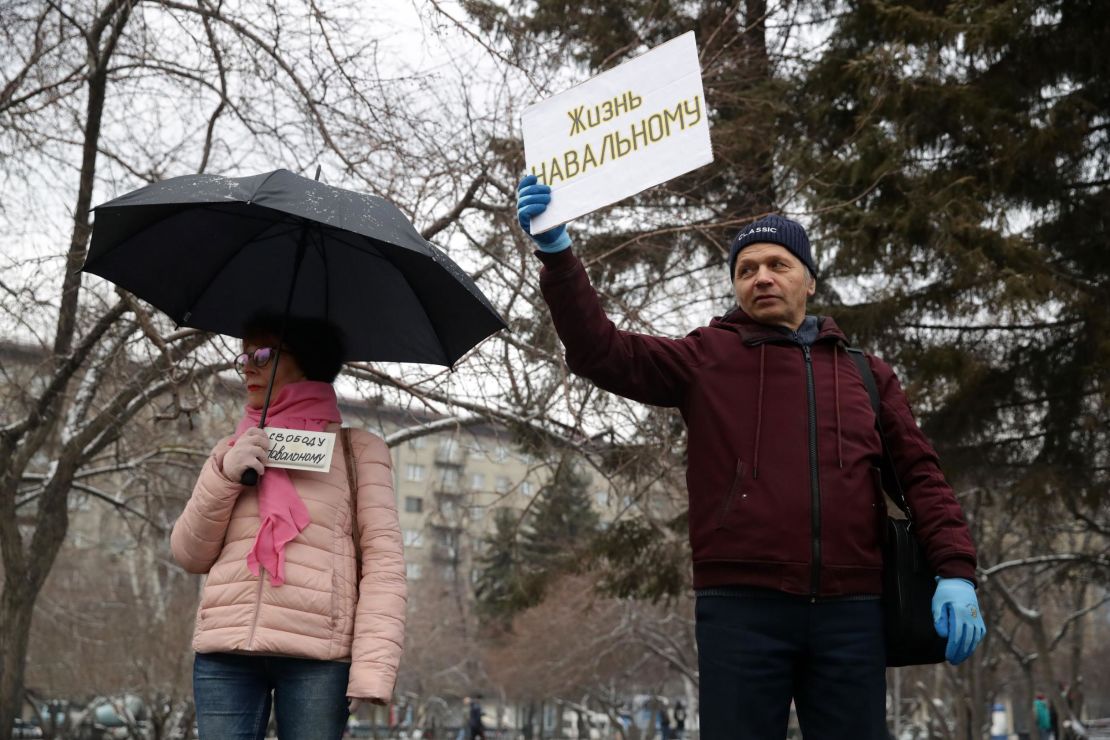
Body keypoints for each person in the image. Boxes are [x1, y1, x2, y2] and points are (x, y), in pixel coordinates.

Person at [516, 176, 987, 739]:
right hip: (741, 610)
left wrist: (955, 572)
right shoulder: (704, 358)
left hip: (852, 612)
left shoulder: (866, 374)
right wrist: (557, 253)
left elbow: (921, 478)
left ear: (809, 280)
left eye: (778, 264)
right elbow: (600, 351)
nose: (761, 276)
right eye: (746, 269)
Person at [170, 313, 407, 739]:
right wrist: (225, 474)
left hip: (318, 659)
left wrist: (372, 668)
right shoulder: (232, 449)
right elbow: (190, 554)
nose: (247, 366)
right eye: (242, 354)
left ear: (307, 360)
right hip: (226, 654)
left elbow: (383, 564)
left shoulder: (358, 451)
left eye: (262, 353)